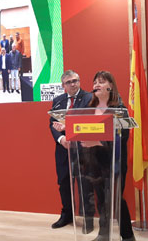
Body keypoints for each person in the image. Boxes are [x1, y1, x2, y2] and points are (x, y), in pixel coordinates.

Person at [78, 71, 135, 241]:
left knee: (116, 200)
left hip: (113, 161)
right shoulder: (89, 107)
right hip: (93, 162)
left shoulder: (119, 108)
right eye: (95, 82)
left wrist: (98, 142)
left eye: (101, 82)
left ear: (110, 86)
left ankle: (127, 236)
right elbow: (82, 129)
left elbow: (122, 137)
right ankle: (104, 234)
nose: (96, 85)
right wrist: (66, 129)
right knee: (101, 199)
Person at [49, 70, 92, 229]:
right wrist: (61, 139)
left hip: (83, 149)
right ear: (63, 85)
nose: (73, 84)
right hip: (63, 150)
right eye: (69, 82)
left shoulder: (89, 98)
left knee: (85, 184)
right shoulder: (58, 101)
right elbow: (52, 124)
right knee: (64, 183)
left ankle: (88, 219)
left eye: (76, 80)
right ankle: (67, 214)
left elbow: (89, 122)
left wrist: (72, 134)